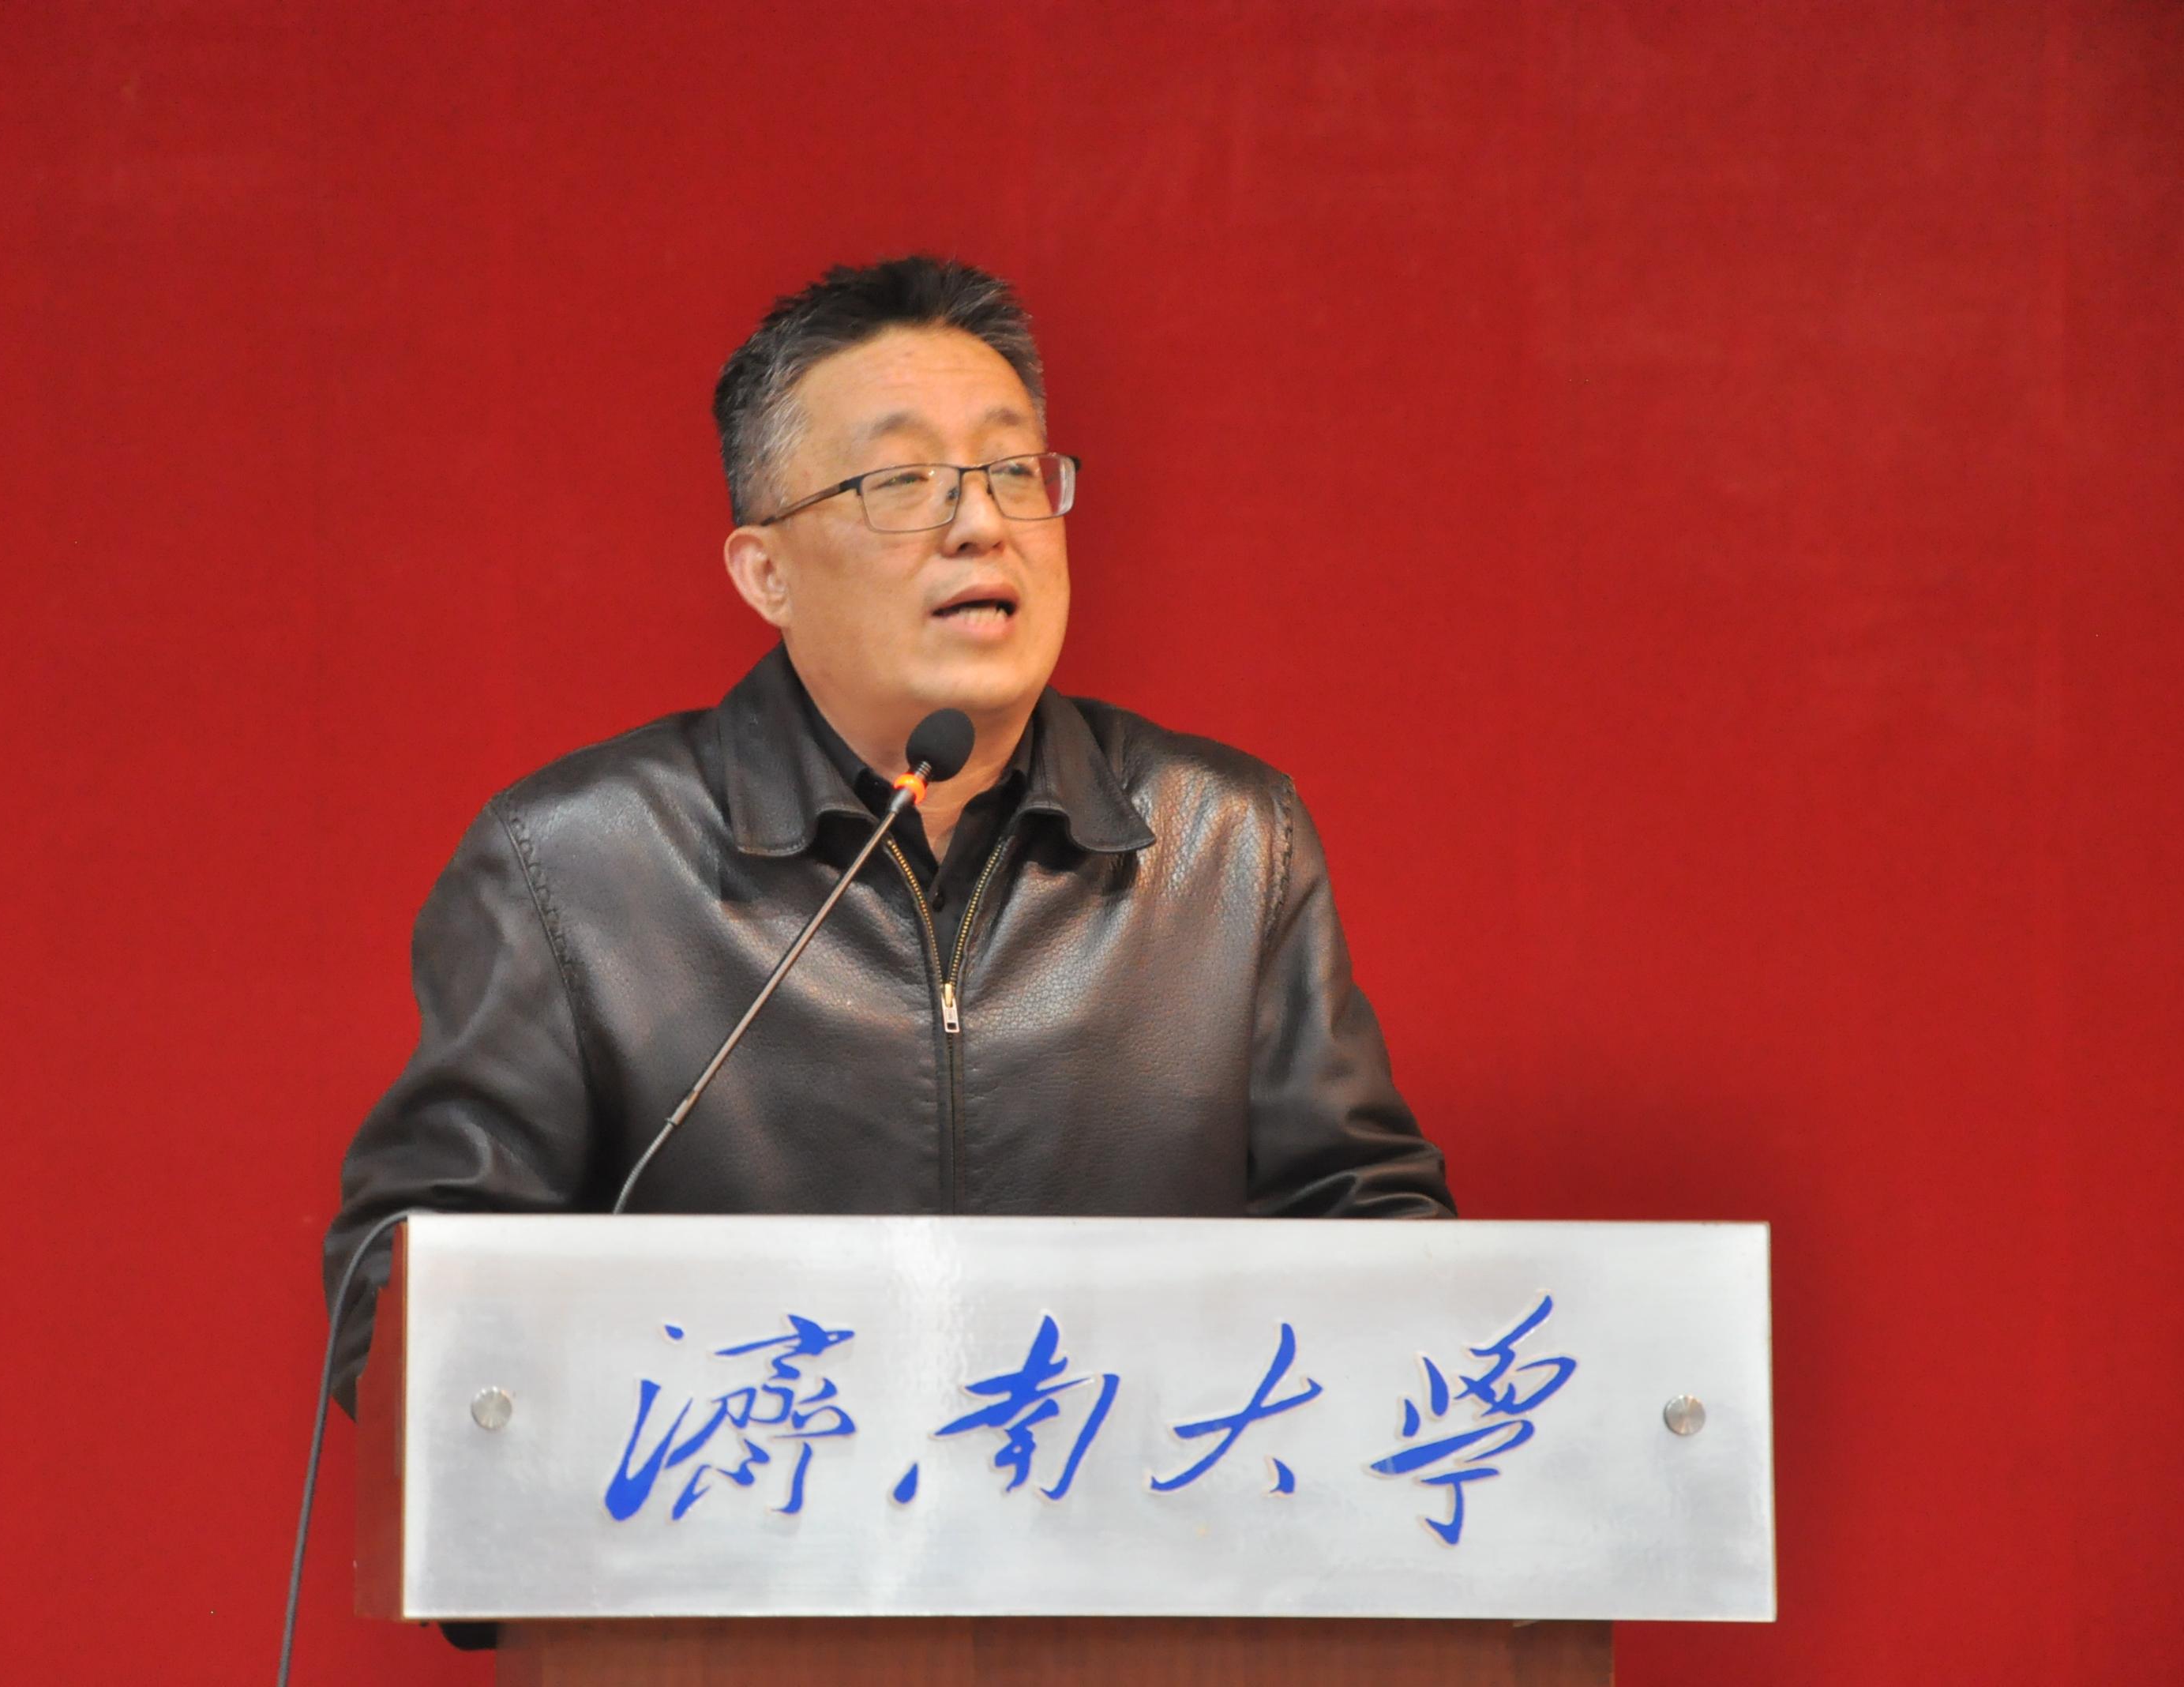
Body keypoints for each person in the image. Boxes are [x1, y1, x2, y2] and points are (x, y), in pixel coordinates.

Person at [324, 255, 1452, 1412]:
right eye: (903, 482)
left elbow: (1375, 1244)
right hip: (740, 1520)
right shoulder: (577, 867)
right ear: (766, 573)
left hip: (1133, 1520)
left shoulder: (1226, 845)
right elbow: (409, 1307)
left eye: (1012, 471)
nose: (981, 526)